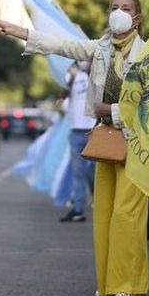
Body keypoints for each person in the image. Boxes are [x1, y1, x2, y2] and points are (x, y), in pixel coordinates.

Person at [0, 0, 149, 296]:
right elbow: (61, 44)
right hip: (105, 139)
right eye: (114, 7)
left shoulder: (148, 54)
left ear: (137, 18)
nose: (119, 12)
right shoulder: (101, 48)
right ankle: (110, 284)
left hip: (137, 142)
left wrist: (114, 109)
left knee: (126, 216)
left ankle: (132, 290)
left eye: (126, 8)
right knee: (104, 212)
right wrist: (17, 30)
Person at [60, 62, 96, 223]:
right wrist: (70, 78)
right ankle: (79, 208)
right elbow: (62, 96)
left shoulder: (100, 73)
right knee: (78, 172)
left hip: (95, 130)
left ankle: (98, 200)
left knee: (95, 172)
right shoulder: (72, 75)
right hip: (76, 130)